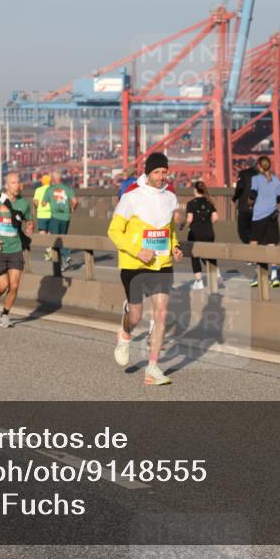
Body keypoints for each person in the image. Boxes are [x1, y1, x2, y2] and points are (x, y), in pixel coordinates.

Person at [107, 152, 183, 386]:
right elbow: (113, 231)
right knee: (137, 316)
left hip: (162, 264)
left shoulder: (171, 197)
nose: (162, 177)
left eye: (164, 172)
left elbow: (170, 230)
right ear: (148, 174)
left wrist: (175, 247)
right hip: (134, 264)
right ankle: (125, 333)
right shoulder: (131, 198)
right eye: (157, 172)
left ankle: (152, 368)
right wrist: (137, 250)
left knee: (161, 313)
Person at [0, 172, 33, 329]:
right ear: (7, 185)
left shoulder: (24, 204)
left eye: (18, 183)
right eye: (14, 183)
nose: (17, 186)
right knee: (2, 285)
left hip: (15, 248)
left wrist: (30, 227)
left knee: (14, 285)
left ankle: (5, 315)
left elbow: (29, 220)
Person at [248, 156, 280, 288]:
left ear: (259, 166)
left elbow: (252, 195)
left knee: (254, 243)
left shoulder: (255, 179)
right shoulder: (276, 180)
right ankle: (274, 276)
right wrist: (271, 200)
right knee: (272, 245)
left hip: (258, 215)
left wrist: (251, 202)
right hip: (272, 216)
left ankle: (257, 274)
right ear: (269, 166)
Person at [184, 181, 221, 290]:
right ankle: (216, 274)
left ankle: (199, 281)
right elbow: (215, 218)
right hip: (209, 232)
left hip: (195, 233)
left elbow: (189, 219)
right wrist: (207, 225)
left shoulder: (191, 203)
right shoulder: (210, 202)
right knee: (209, 254)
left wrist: (185, 224)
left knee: (194, 256)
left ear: (195, 190)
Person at [43, 170, 78, 271]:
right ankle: (64, 262)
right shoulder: (67, 188)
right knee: (63, 237)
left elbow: (43, 203)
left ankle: (66, 256)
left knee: (57, 240)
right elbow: (75, 202)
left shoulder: (50, 189)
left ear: (53, 179)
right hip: (66, 217)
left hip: (55, 217)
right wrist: (72, 209)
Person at [232, 159, 258, 245]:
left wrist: (235, 198)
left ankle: (250, 247)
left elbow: (239, 188)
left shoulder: (243, 174)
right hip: (258, 208)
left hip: (244, 207)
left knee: (243, 230)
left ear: (247, 165)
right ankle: (255, 248)